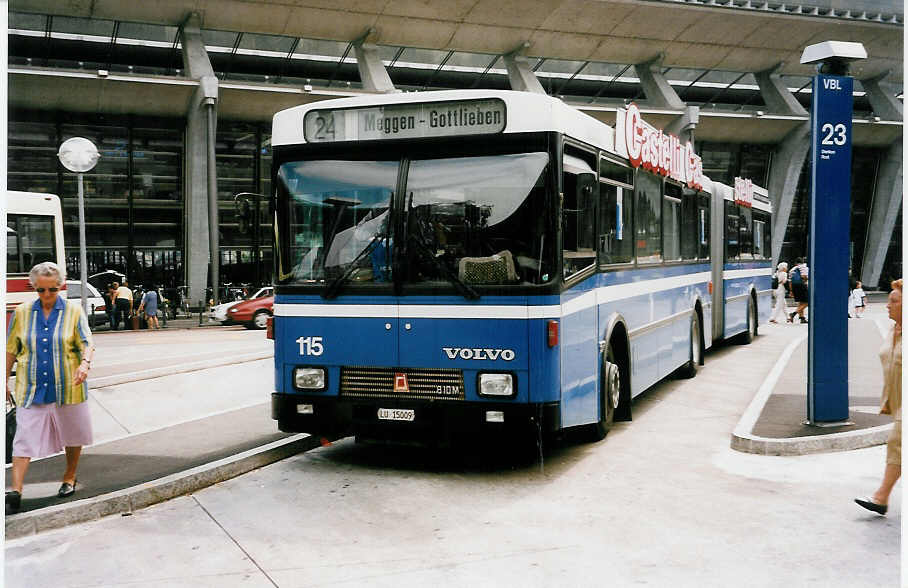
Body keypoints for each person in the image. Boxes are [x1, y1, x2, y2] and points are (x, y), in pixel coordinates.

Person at [5, 262, 95, 514]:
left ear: (61, 286)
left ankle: (69, 476)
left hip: (69, 384)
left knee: (73, 433)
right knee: (23, 438)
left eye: (52, 290)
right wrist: (4, 380)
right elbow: (11, 349)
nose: (47, 296)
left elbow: (88, 343)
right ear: (35, 288)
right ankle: (16, 491)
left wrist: (85, 365)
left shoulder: (73, 311)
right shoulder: (22, 313)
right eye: (41, 290)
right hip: (31, 386)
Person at [855, 278, 902, 515]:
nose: (887, 305)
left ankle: (881, 497)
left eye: (893, 301)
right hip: (897, 403)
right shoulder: (894, 329)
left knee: (897, 443)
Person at [788, 257, 809, 324]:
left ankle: (802, 318)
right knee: (807, 302)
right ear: (802, 262)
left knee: (801, 302)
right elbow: (804, 276)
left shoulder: (792, 269)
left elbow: (790, 281)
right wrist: (807, 280)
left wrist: (791, 291)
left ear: (795, 263)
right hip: (801, 285)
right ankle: (793, 314)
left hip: (794, 286)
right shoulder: (803, 267)